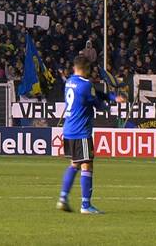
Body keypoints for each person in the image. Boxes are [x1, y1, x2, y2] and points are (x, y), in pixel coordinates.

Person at [56, 55, 126, 214]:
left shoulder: (69, 82)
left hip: (68, 130)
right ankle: (86, 205)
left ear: (75, 67)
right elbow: (97, 103)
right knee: (87, 164)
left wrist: (113, 97)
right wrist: (109, 106)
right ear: (86, 69)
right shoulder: (86, 85)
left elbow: (96, 94)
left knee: (74, 164)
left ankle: (62, 198)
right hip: (81, 131)